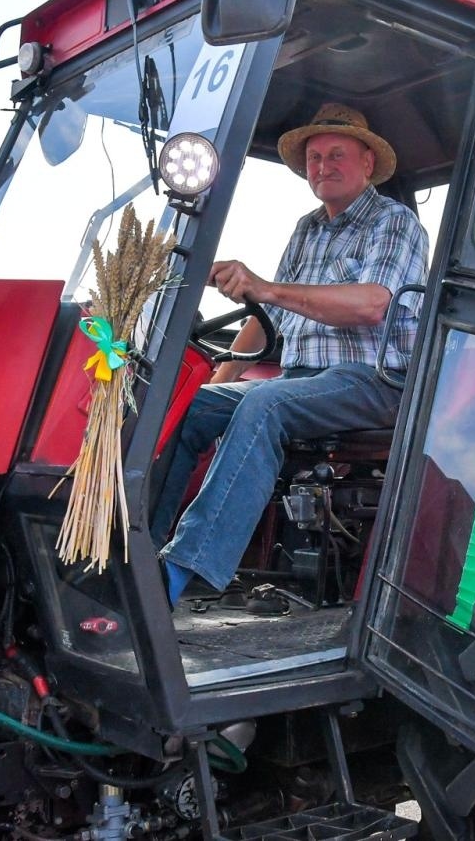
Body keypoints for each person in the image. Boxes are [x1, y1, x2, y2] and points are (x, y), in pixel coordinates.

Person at [153, 103, 429, 604]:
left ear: (368, 162)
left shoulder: (394, 223)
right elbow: (269, 317)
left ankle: (182, 571)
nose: (322, 166)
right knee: (185, 406)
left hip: (373, 381)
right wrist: (218, 381)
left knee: (266, 404)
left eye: (336, 154)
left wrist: (266, 287)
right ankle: (138, 554)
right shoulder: (307, 229)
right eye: (314, 157)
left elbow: (373, 304)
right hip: (301, 379)